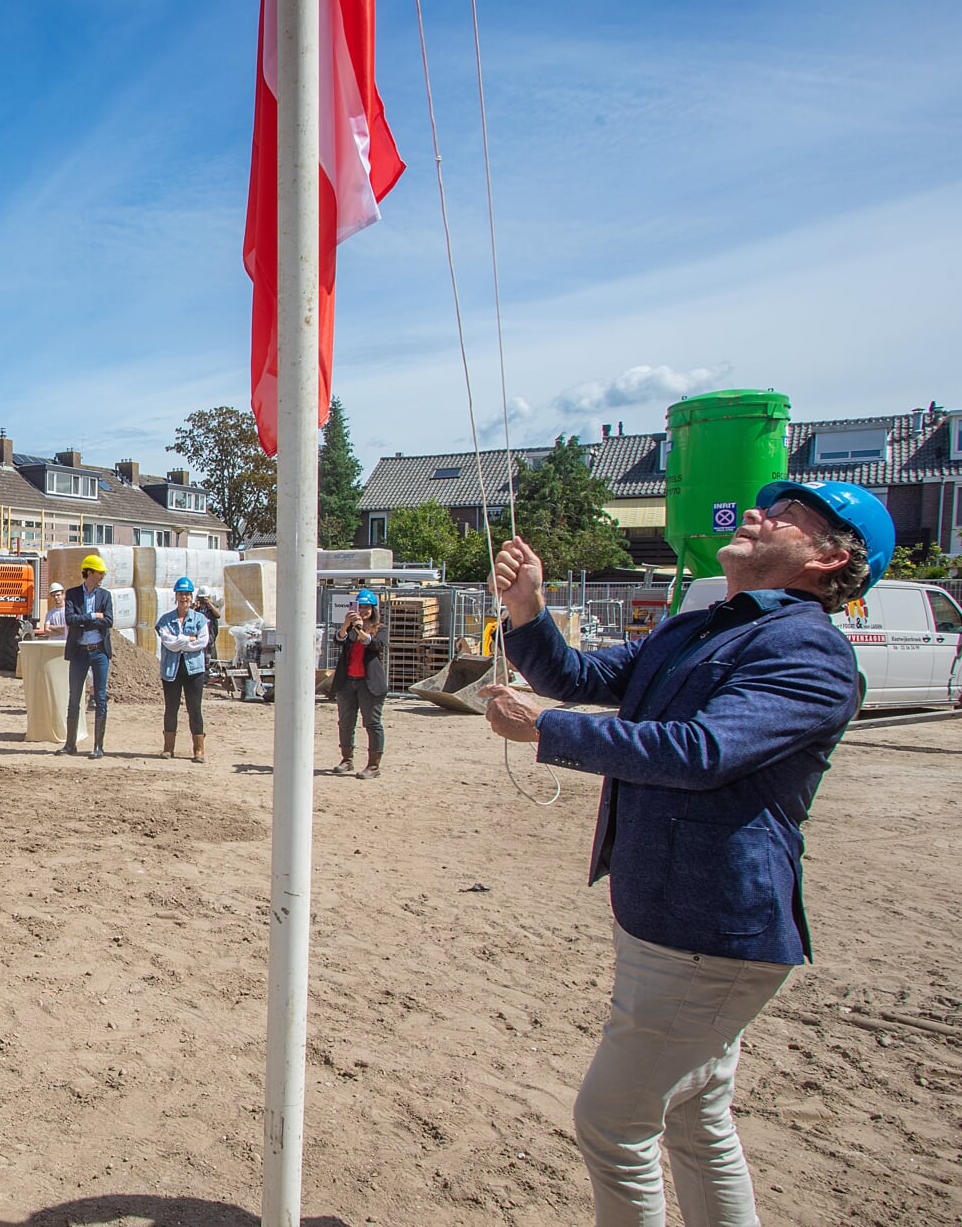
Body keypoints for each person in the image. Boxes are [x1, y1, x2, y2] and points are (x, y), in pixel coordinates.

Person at [479, 479, 893, 1226]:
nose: (758, 512)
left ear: (830, 560)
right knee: (696, 1121)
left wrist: (547, 731)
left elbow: (702, 751)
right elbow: (577, 676)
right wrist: (526, 610)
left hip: (709, 928)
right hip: (673, 917)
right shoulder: (701, 626)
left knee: (613, 1123)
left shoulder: (809, 649)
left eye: (789, 515)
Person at [326, 589, 388, 779]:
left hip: (369, 684)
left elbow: (375, 645)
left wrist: (360, 629)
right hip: (347, 682)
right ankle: (347, 759)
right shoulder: (350, 629)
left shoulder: (380, 629)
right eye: (360, 607)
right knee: (345, 723)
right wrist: (346, 625)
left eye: (367, 607)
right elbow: (339, 640)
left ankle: (373, 766)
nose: (363, 610)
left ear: (373, 609)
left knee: (372, 723)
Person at [62, 554, 114, 758]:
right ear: (89, 573)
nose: (102, 576)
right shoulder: (73, 594)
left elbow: (108, 621)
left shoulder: (105, 596)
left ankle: (98, 746)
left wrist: (83, 621)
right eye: (99, 573)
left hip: (99, 651)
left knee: (100, 698)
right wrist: (93, 616)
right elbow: (70, 619)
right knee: (74, 697)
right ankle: (70, 744)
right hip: (79, 652)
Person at [157, 576, 211, 763]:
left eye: (187, 594)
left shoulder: (201, 619)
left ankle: (198, 749)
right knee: (171, 709)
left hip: (193, 670)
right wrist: (189, 639)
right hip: (172, 670)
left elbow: (202, 642)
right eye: (181, 594)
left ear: (192, 597)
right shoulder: (165, 620)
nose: (184, 598)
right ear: (176, 596)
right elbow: (168, 643)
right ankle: (168, 748)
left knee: (194, 709)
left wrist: (180, 640)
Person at [192, 586, 221, 670]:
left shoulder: (212, 607)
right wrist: (194, 607)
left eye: (204, 598)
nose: (202, 600)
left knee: (209, 657)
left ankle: (209, 672)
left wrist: (209, 604)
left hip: (210, 637)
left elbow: (218, 615)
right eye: (201, 598)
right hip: (197, 638)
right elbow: (187, 618)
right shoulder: (195, 608)